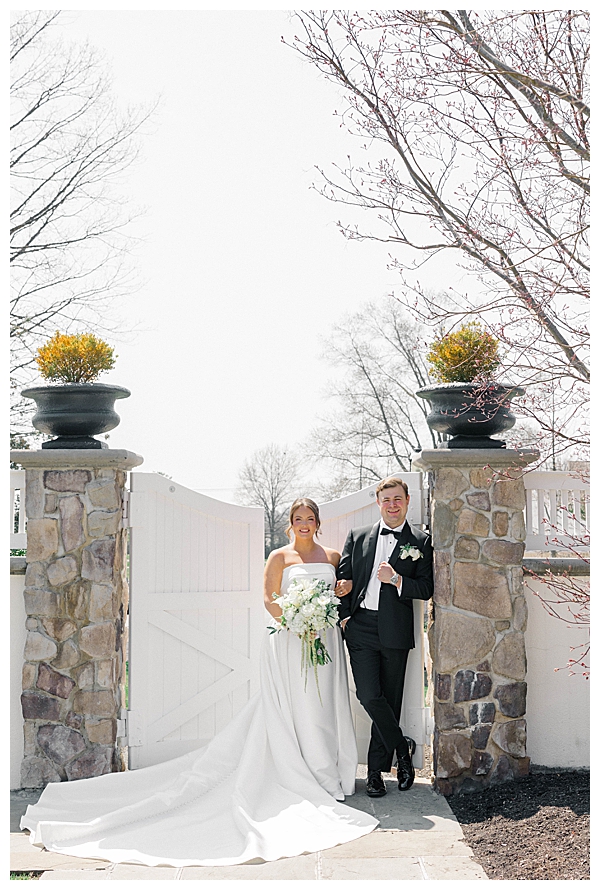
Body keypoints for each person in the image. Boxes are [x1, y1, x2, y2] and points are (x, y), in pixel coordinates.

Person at [20, 497, 378, 868]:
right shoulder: (279, 557)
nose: (304, 523)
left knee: (323, 706)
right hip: (291, 638)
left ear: (318, 522)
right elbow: (270, 599)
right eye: (298, 518)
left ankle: (326, 774)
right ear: (291, 523)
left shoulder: (334, 556)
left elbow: (343, 594)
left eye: (310, 518)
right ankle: (301, 776)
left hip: (326, 640)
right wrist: (296, 619)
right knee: (297, 706)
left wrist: (335, 599)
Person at [337, 476, 433, 798]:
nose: (392, 505)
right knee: (368, 695)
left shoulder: (420, 541)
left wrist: (397, 580)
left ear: (407, 501)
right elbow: (344, 577)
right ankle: (401, 749)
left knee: (389, 700)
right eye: (386, 500)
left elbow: (426, 588)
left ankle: (376, 773)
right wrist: (345, 613)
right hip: (362, 627)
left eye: (398, 499)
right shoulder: (359, 536)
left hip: (394, 629)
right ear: (378, 503)